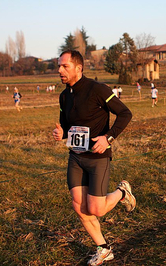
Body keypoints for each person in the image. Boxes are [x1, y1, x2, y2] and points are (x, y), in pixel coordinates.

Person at [52, 50, 135, 266]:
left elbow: (125, 113)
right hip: (76, 158)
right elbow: (68, 126)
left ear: (78, 68)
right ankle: (104, 248)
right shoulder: (64, 95)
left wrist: (108, 138)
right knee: (79, 206)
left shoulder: (98, 89)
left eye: (64, 66)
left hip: (98, 157)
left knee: (96, 209)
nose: (59, 70)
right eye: (59, 66)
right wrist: (62, 133)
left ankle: (122, 192)